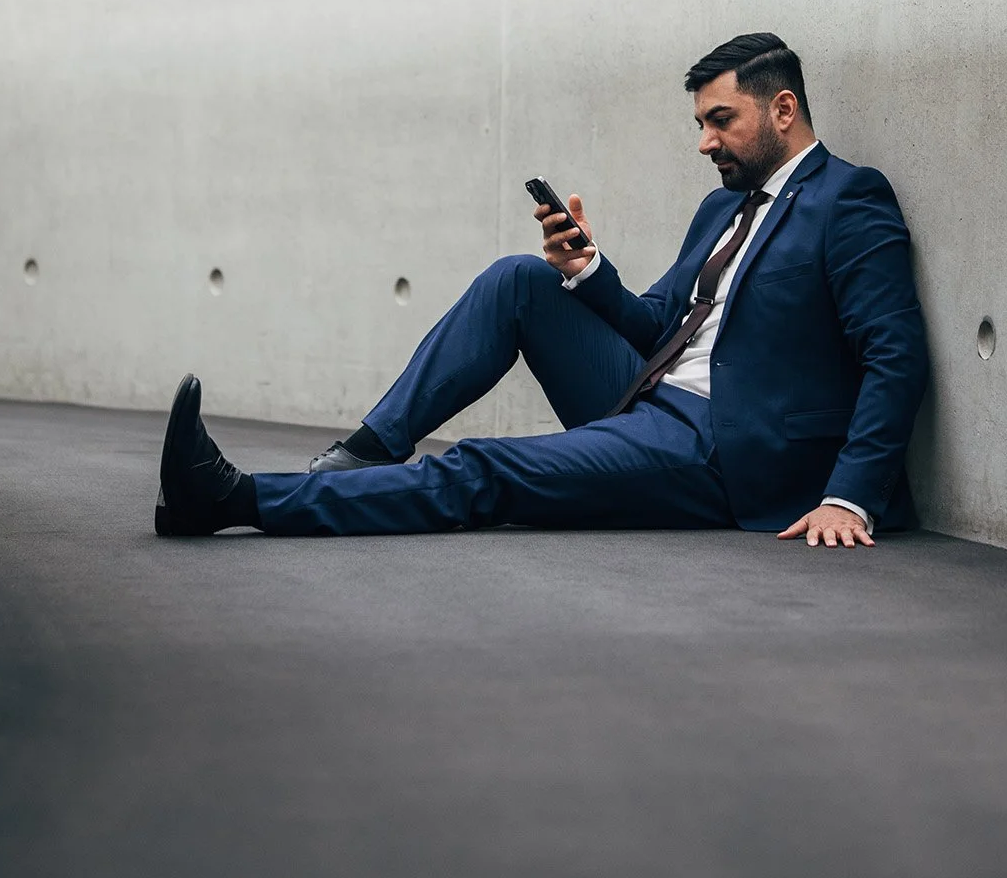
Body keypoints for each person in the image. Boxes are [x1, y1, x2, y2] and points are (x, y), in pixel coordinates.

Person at [154, 33, 931, 547]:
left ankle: (236, 502)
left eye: (720, 121)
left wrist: (849, 497)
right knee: (520, 279)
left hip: (724, 448)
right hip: (652, 399)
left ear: (783, 109)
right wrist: (586, 270)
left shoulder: (848, 201)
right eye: (699, 123)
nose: (705, 142)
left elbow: (895, 358)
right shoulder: (724, 206)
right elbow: (660, 321)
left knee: (482, 469)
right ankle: (364, 453)